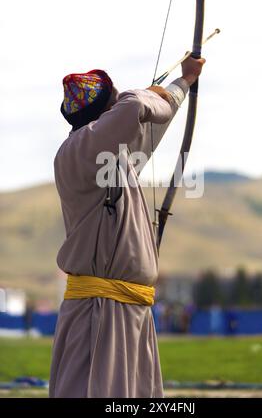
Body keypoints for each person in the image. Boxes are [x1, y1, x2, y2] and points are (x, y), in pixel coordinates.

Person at [49, 54, 205, 398]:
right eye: (112, 98)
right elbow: (136, 107)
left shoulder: (109, 159)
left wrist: (183, 83)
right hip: (100, 310)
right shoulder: (80, 149)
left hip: (128, 308)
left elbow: (148, 122)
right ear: (101, 112)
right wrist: (144, 95)